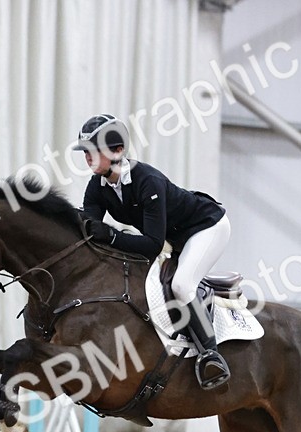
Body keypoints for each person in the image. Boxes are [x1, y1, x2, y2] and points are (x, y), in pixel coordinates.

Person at [72, 114, 232, 389]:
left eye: (93, 151)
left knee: (182, 285)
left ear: (118, 151)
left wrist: (111, 234)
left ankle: (210, 354)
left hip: (207, 228)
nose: (87, 157)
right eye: (85, 152)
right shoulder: (97, 187)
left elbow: (151, 245)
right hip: (175, 237)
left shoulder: (148, 181)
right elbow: (90, 232)